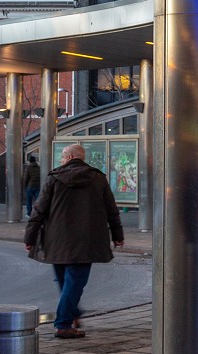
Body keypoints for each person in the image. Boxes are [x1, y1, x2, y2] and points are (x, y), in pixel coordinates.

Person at [24, 142, 125, 339]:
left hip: (56, 240)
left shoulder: (53, 179)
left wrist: (30, 237)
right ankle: (66, 320)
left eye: (62, 157)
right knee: (74, 282)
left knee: (66, 281)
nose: (61, 161)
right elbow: (111, 210)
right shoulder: (98, 178)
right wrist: (117, 235)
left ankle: (65, 321)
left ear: (69, 158)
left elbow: (38, 210)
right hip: (86, 240)